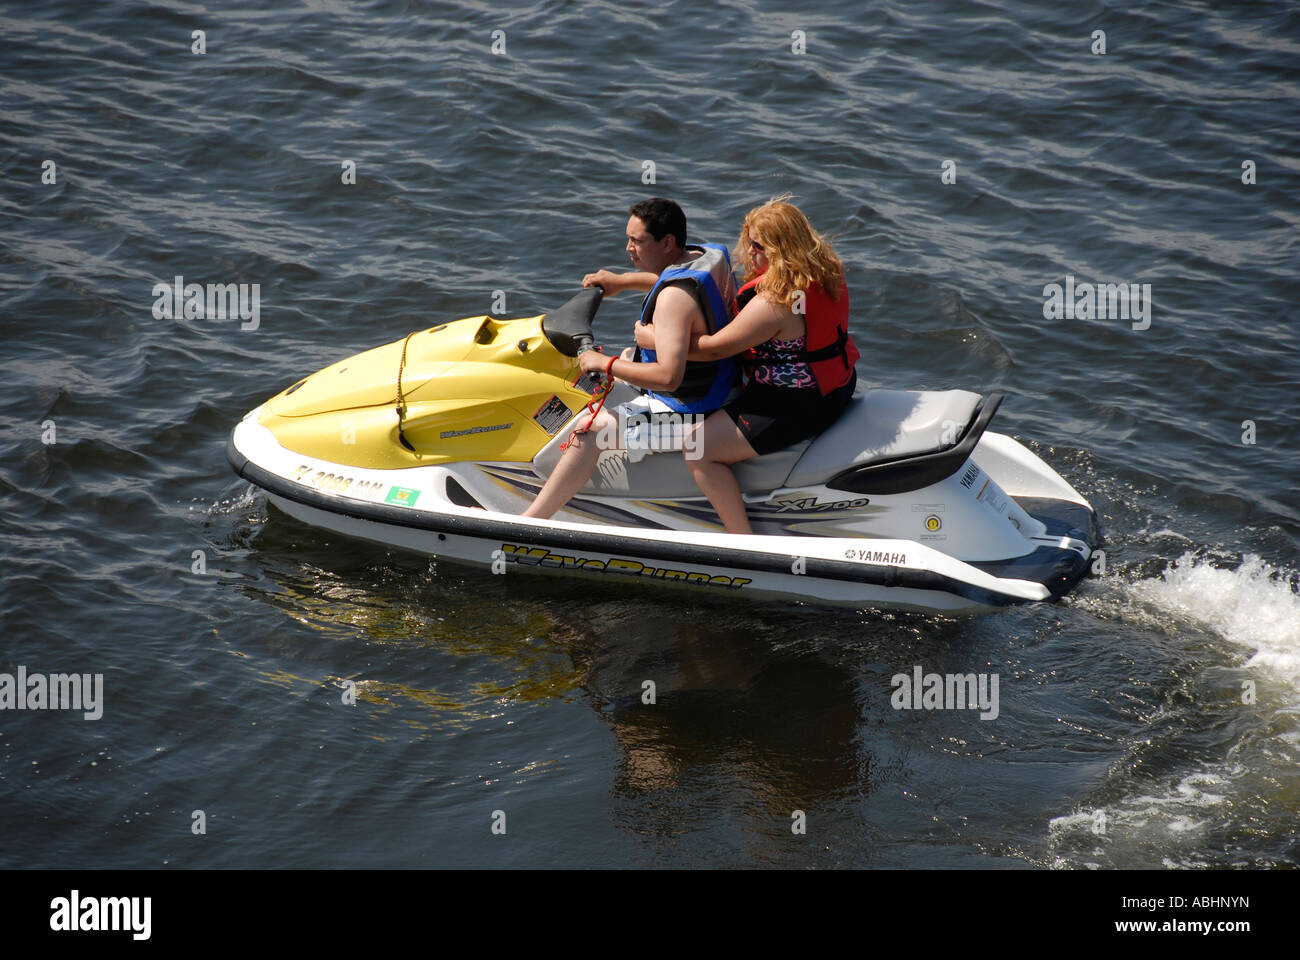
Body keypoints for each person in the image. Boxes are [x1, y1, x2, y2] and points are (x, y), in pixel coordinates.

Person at [634, 198, 860, 534]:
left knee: (698, 450)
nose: (750, 251)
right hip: (837, 385)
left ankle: (744, 539)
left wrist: (653, 338)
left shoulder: (775, 302)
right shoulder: (823, 273)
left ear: (782, 249)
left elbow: (711, 349)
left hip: (793, 405)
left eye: (758, 245)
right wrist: (623, 282)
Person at [522, 198, 739, 519]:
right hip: (724, 382)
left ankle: (530, 521)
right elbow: (670, 279)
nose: (628, 248)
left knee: (589, 430)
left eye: (638, 241)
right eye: (628, 238)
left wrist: (603, 364)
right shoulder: (708, 255)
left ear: (667, 242)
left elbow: (669, 377)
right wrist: (621, 282)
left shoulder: (673, 301)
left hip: (696, 410)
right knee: (629, 355)